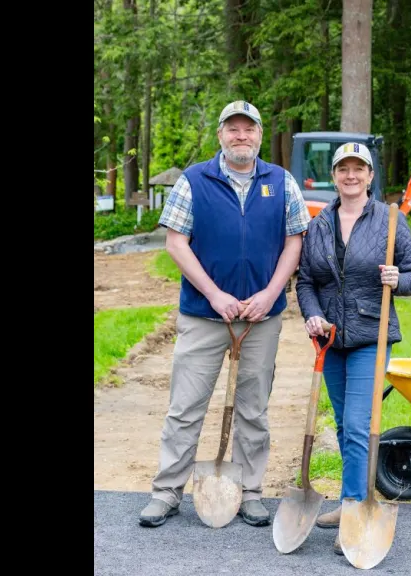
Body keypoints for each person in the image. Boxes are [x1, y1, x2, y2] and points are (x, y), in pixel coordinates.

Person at [139, 100, 310, 528]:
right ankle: (166, 492)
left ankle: (249, 491)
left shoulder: (281, 181)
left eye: (248, 129)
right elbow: (176, 243)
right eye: (232, 129)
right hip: (202, 315)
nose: (241, 136)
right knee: (185, 407)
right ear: (220, 135)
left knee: (253, 409)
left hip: (261, 319)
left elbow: (295, 242)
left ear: (259, 135)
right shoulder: (195, 180)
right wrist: (215, 294)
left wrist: (271, 294)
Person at [295, 142, 411, 554]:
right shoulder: (320, 224)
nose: (351, 176)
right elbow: (305, 281)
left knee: (356, 423)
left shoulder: (389, 220)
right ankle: (350, 497)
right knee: (342, 422)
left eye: (359, 169)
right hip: (330, 336)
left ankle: (353, 507)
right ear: (334, 175)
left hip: (372, 332)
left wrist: (397, 280)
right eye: (343, 169)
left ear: (370, 176)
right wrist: (312, 314)